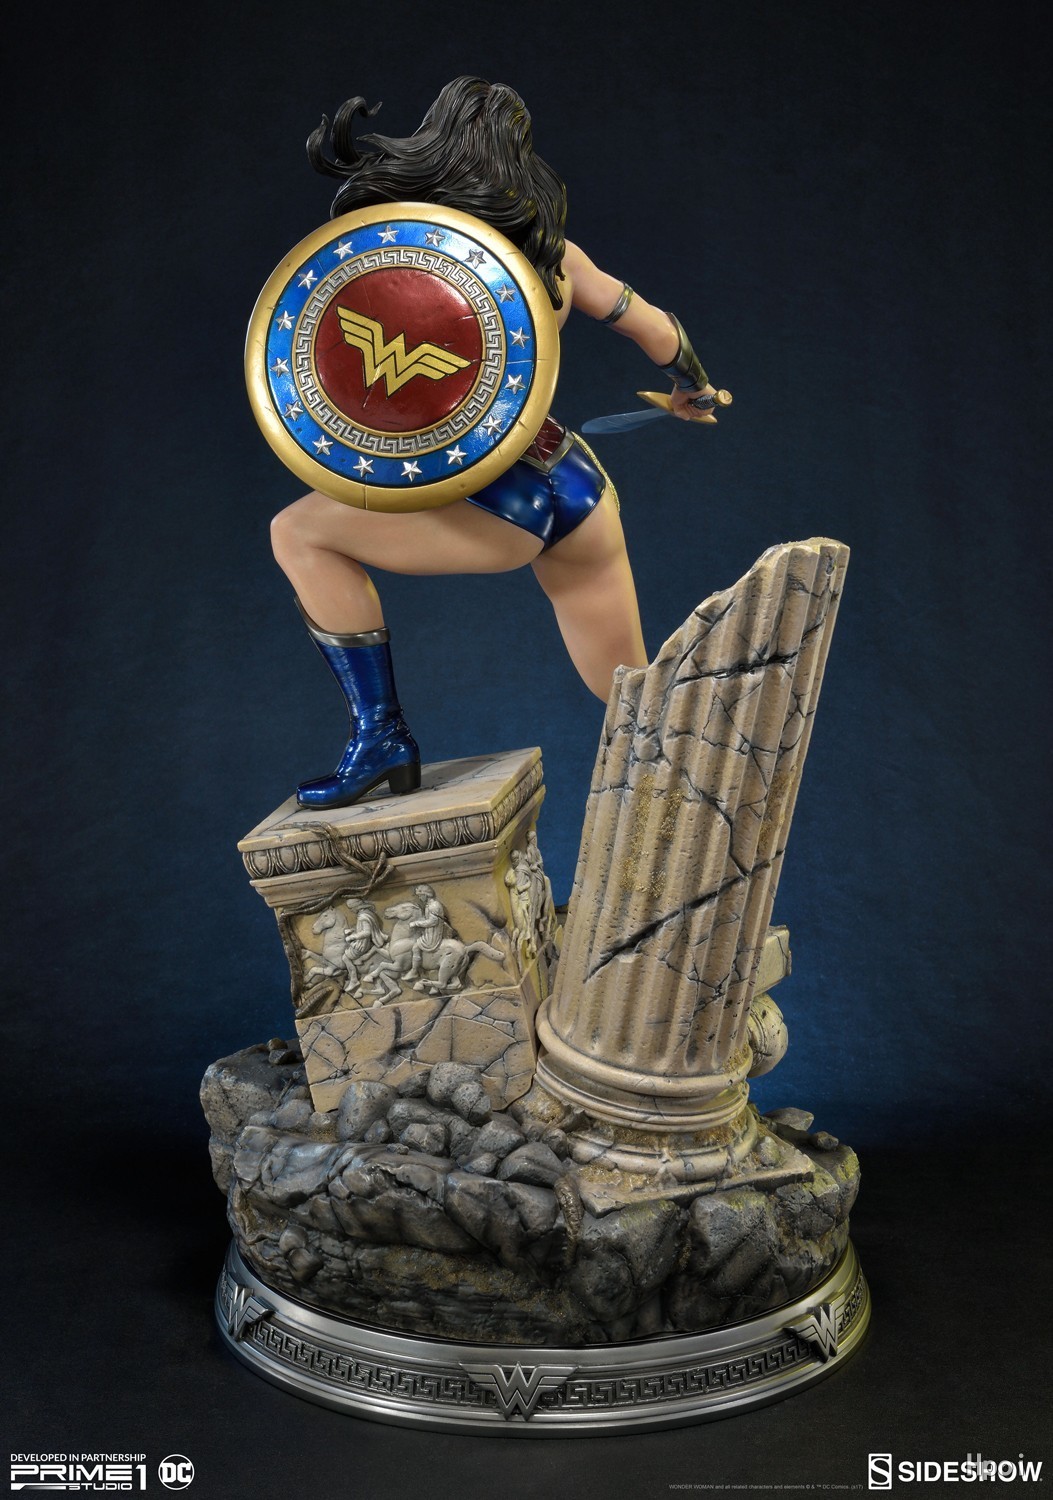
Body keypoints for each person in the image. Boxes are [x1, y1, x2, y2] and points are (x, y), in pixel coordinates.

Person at [269, 77, 718, 810]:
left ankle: (381, 739)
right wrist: (691, 388)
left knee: (297, 533)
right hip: (576, 484)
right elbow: (657, 327)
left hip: (492, 500)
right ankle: (704, 781)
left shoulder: (405, 254)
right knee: (637, 700)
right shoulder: (557, 258)